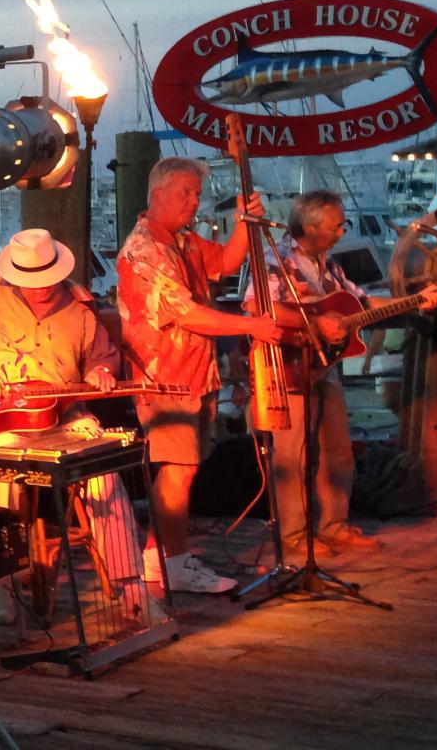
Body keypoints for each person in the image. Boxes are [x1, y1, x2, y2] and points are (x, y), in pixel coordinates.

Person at [0, 228, 147, 623]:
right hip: (6, 421)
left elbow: (105, 358)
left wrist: (101, 371)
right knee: (0, 480)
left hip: (66, 418)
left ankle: (131, 585)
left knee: (103, 476)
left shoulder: (81, 307)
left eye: (48, 281)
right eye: (32, 283)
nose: (42, 289)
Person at [244, 190, 437, 553]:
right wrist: (316, 322)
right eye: (336, 226)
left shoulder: (328, 263)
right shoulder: (274, 259)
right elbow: (257, 305)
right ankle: (294, 536)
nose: (342, 232)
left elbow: (364, 303)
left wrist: (417, 300)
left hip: (326, 368)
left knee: (338, 452)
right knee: (292, 457)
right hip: (287, 368)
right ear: (309, 226)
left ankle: (334, 524)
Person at [116, 157, 281, 594]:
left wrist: (246, 223)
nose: (194, 202)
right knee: (177, 469)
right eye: (185, 193)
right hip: (165, 379)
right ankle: (174, 562)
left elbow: (226, 262)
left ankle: (160, 555)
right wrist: (252, 326)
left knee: (183, 469)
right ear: (157, 194)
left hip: (197, 374)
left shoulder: (184, 241)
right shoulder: (145, 249)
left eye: (196, 193)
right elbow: (185, 313)